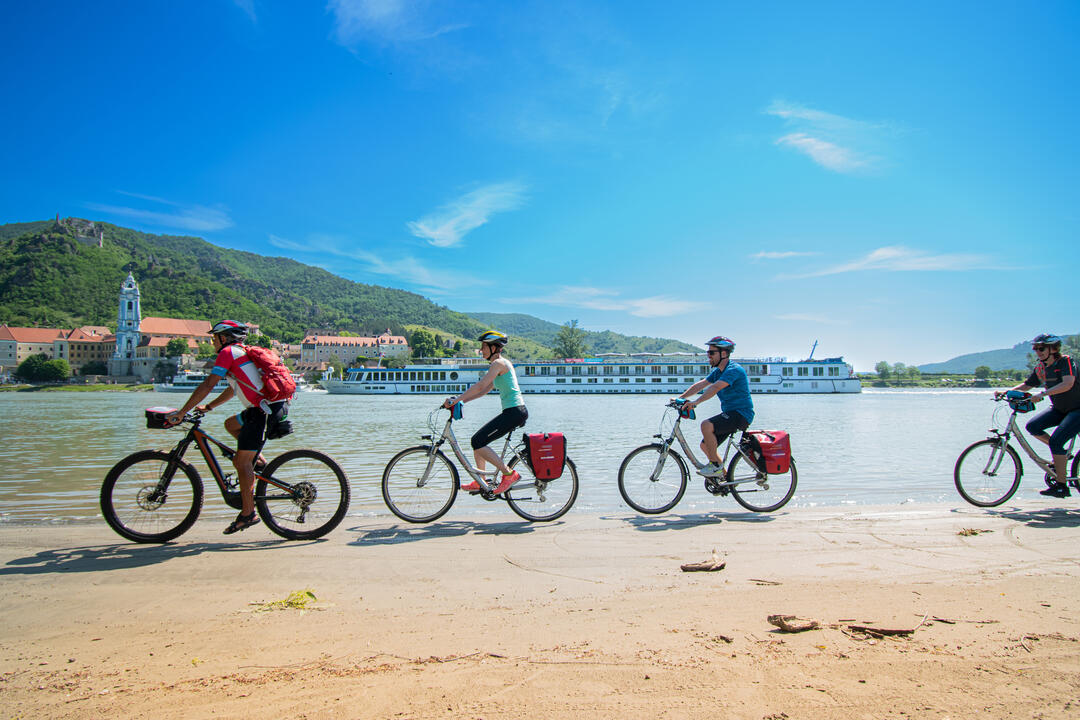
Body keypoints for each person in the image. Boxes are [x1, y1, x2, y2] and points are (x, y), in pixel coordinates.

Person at [166, 320, 290, 533]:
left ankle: (248, 513)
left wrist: (182, 412)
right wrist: (210, 406)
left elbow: (208, 384)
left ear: (224, 337)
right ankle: (257, 463)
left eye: (215, 337)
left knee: (241, 463)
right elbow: (233, 390)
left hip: (263, 412)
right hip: (263, 409)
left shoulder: (228, 353)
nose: (213, 341)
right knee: (230, 424)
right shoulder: (239, 353)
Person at [442, 330, 528, 494]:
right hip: (513, 412)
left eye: (484, 346)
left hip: (515, 412)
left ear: (494, 347)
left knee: (478, 441)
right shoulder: (497, 366)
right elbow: (484, 391)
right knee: (478, 441)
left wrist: (456, 400)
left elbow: (480, 386)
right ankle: (480, 481)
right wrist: (462, 403)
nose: (481, 350)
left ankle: (509, 474)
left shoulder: (499, 364)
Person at [997, 333, 1080, 498]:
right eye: (1036, 348)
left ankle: (1062, 486)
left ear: (1053, 348)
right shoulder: (1042, 368)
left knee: (1056, 441)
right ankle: (1061, 456)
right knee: (1033, 426)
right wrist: (1007, 392)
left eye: (1041, 348)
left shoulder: (1065, 362)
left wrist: (1042, 394)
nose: (1038, 351)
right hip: (1059, 409)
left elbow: (1068, 383)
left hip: (1077, 410)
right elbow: (1028, 385)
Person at [677, 336, 755, 477]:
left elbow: (715, 388)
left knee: (706, 425)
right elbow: (702, 384)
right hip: (731, 413)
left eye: (711, 353)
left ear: (723, 354)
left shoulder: (733, 370)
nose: (708, 356)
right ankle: (724, 480)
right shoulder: (718, 371)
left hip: (741, 414)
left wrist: (696, 402)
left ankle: (716, 466)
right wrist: (681, 398)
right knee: (705, 445)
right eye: (708, 353)